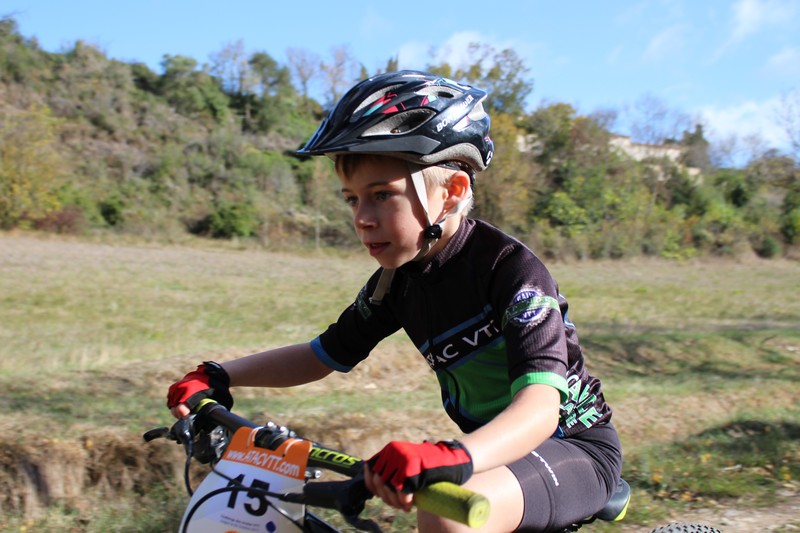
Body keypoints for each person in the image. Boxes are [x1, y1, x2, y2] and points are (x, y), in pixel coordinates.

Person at [167, 70, 622, 532]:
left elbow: (540, 409)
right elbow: (320, 355)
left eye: (382, 195)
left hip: (574, 448)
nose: (362, 219)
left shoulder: (512, 272)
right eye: (352, 200)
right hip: (494, 453)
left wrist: (452, 455)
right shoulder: (394, 284)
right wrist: (220, 374)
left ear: (452, 192)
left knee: (443, 513)